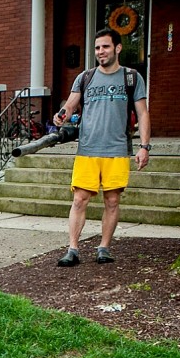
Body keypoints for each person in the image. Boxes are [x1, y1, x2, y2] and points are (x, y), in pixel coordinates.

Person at [52, 28, 151, 266]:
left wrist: (144, 146)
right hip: (87, 149)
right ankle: (73, 249)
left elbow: (143, 113)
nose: (100, 52)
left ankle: (104, 247)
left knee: (112, 201)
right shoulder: (85, 77)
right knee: (79, 200)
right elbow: (72, 103)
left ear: (117, 48)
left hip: (116, 150)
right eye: (97, 48)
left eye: (105, 47)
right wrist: (61, 115)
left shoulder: (132, 78)